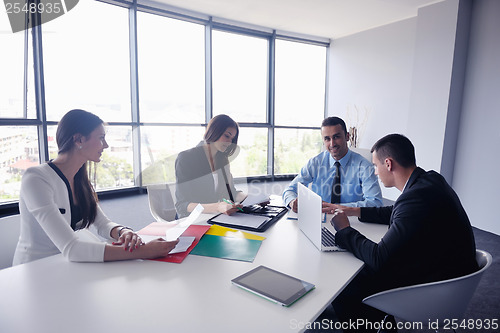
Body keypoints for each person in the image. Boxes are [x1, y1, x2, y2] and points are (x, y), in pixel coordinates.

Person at [330, 134, 478, 332]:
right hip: (453, 275)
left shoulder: (414, 199)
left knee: (349, 284)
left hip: (437, 288)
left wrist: (344, 230)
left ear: (388, 164)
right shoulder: (429, 181)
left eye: (375, 166)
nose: (374, 172)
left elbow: (379, 258)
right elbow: (398, 211)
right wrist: (355, 211)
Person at [13, 109, 178, 265]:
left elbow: (103, 224)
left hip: (67, 265)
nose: (105, 145)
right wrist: (144, 251)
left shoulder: (79, 179)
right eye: (101, 138)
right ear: (79, 140)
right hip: (36, 269)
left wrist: (123, 232)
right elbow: (73, 249)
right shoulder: (36, 178)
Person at [282, 116, 382, 213]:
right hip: (320, 219)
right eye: (327, 139)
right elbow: (290, 190)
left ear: (347, 136)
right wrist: (292, 202)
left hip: (351, 220)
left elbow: (375, 203)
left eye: (336, 137)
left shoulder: (364, 166)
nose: (332, 143)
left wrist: (335, 207)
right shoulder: (315, 163)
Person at [175, 114, 247, 219]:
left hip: (214, 217)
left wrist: (252, 198)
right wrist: (218, 207)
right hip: (192, 220)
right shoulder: (186, 158)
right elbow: (182, 205)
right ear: (214, 131)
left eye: (232, 138)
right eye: (227, 136)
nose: (229, 142)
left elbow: (232, 193)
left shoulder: (222, 160)